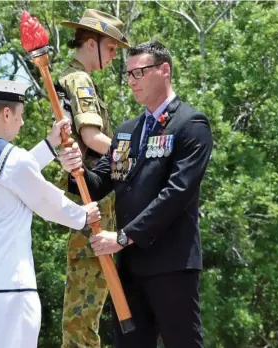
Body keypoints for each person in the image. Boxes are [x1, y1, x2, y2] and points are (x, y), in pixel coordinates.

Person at [59, 41, 213, 348]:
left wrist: (123, 236)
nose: (131, 81)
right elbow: (101, 181)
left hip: (172, 264)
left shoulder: (190, 125)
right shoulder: (127, 131)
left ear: (164, 70)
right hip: (130, 268)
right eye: (128, 74)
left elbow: (176, 194)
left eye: (139, 72)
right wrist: (73, 168)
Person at [0, 78, 101, 348]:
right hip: (12, 285)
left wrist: (50, 143)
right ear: (6, 114)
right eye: (19, 116)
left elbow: (17, 174)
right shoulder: (13, 159)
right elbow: (43, 198)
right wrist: (82, 214)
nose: (21, 123)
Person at [56, 9, 130, 347]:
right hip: (90, 205)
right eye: (111, 49)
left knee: (84, 313)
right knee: (84, 315)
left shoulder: (73, 77)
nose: (114, 57)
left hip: (89, 202)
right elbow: (91, 137)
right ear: (91, 43)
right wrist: (136, 156)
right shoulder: (80, 79)